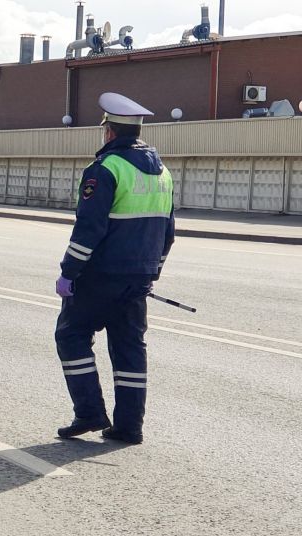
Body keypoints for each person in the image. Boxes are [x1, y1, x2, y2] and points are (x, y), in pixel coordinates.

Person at [54, 92, 176, 445]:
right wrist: (152, 272)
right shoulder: (162, 173)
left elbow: (89, 230)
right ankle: (128, 426)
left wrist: (69, 272)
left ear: (109, 132)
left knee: (71, 335)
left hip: (101, 277)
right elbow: (168, 233)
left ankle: (89, 412)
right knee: (129, 348)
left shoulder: (105, 169)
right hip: (138, 279)